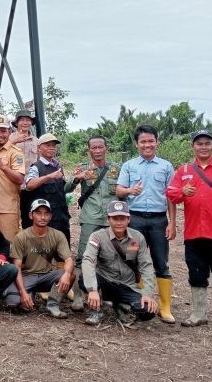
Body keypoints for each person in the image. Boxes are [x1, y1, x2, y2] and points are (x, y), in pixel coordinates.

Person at [167, 129, 212, 333]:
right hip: (193, 234)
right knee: (196, 274)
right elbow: (171, 194)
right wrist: (182, 192)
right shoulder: (183, 170)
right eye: (199, 143)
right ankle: (198, 314)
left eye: (207, 143)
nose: (203, 147)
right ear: (193, 146)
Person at [116, 124, 176, 323]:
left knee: (161, 262)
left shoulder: (166, 166)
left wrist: (172, 223)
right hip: (135, 220)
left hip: (159, 221)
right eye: (143, 141)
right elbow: (119, 191)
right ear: (136, 144)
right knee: (132, 260)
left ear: (157, 142)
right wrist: (130, 191)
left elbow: (171, 197)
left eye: (151, 141)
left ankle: (165, 307)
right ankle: (137, 302)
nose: (147, 145)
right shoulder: (129, 166)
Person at [65, 135, 120, 311]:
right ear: (89, 150)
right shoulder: (82, 168)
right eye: (93, 148)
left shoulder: (116, 169)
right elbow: (66, 189)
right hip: (90, 219)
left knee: (109, 259)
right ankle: (79, 297)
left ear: (106, 148)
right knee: (83, 257)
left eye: (100, 147)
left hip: (110, 221)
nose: (97, 151)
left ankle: (105, 295)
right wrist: (77, 178)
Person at [82, 200, 158, 326]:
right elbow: (88, 260)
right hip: (105, 281)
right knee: (82, 278)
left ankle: (120, 305)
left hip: (127, 286)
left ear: (129, 219)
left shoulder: (137, 238)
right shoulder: (97, 236)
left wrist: (147, 294)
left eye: (122, 218)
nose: (118, 222)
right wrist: (92, 289)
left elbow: (146, 266)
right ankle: (96, 310)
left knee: (147, 311)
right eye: (115, 218)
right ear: (108, 219)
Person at [4, 199, 74, 318]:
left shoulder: (58, 235)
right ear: (31, 215)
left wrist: (67, 274)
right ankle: (27, 294)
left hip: (46, 276)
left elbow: (68, 259)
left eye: (46, 213)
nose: (42, 217)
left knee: (70, 275)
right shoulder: (21, 237)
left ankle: (53, 304)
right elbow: (17, 268)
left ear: (50, 216)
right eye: (38, 213)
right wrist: (23, 293)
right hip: (26, 276)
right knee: (14, 303)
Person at [23, 133, 69, 243]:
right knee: (43, 252)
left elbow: (63, 189)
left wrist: (76, 179)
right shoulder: (36, 167)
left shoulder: (58, 166)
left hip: (61, 218)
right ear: (39, 148)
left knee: (62, 253)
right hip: (45, 219)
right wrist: (49, 176)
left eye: (53, 145)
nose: (51, 148)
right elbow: (30, 185)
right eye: (47, 145)